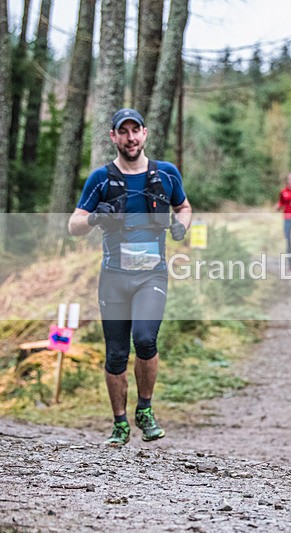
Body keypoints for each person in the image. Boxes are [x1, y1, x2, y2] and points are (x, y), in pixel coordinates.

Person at [68, 108, 192, 446]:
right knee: (116, 354)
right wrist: (95, 218)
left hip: (151, 276)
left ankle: (145, 410)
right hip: (113, 279)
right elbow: (74, 224)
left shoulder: (166, 174)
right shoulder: (101, 179)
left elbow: (184, 207)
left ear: (145, 133)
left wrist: (182, 226)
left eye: (135, 130)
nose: (130, 138)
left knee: (146, 339)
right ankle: (120, 423)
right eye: (123, 132)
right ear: (113, 137)